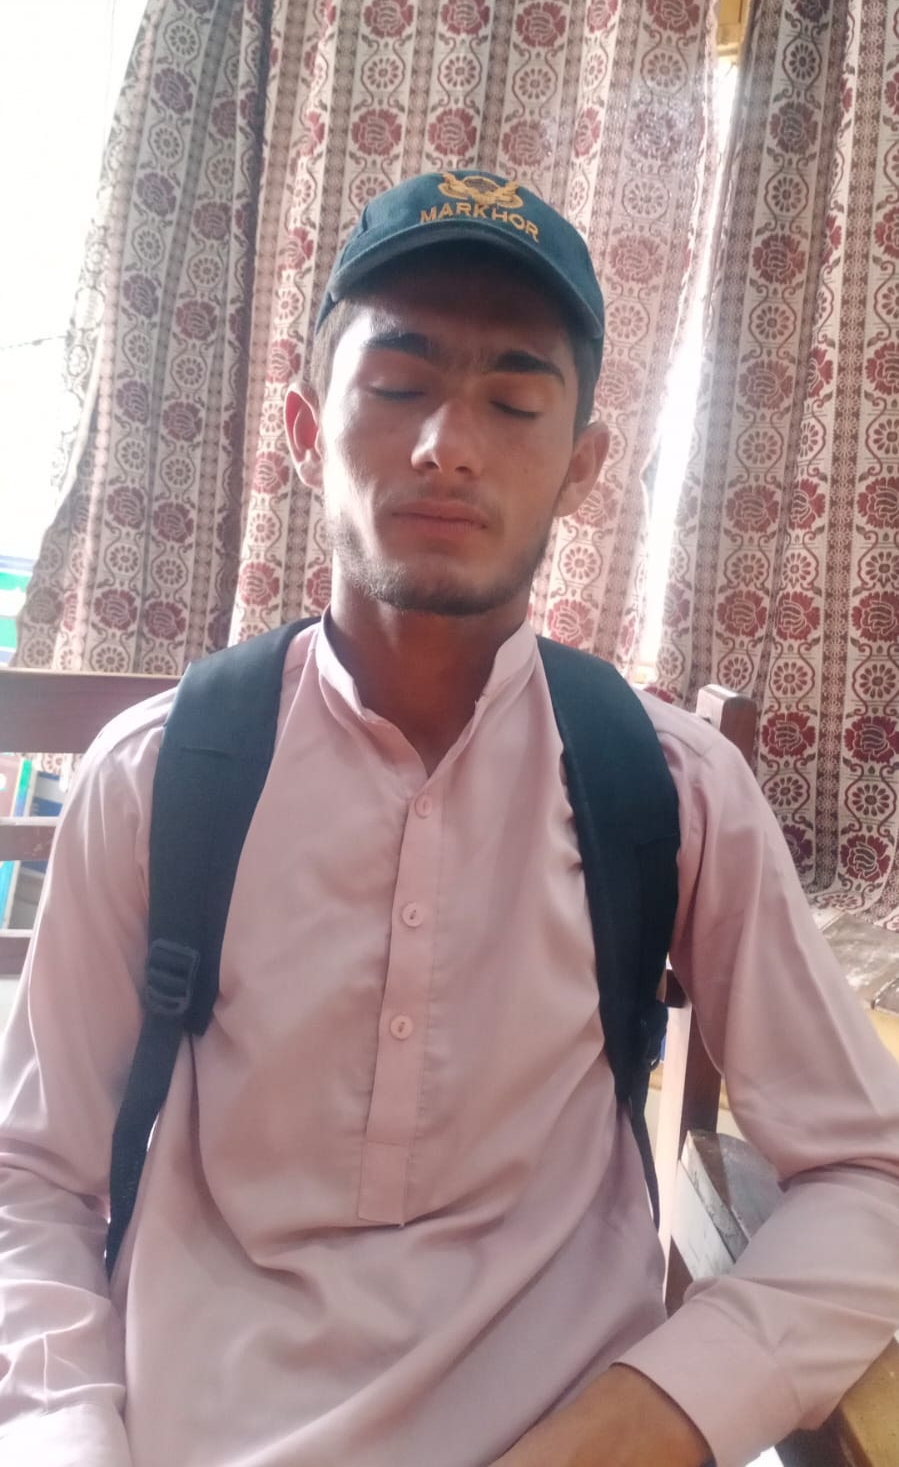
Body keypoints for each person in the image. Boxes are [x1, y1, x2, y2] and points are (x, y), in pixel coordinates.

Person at [1, 169, 898, 1467]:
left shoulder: (671, 789)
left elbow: (871, 1178)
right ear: (306, 429)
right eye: (396, 385)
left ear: (583, 469)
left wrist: (653, 1415)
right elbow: (30, 1179)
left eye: (515, 402)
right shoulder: (159, 775)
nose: (448, 446)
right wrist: (69, 1439)